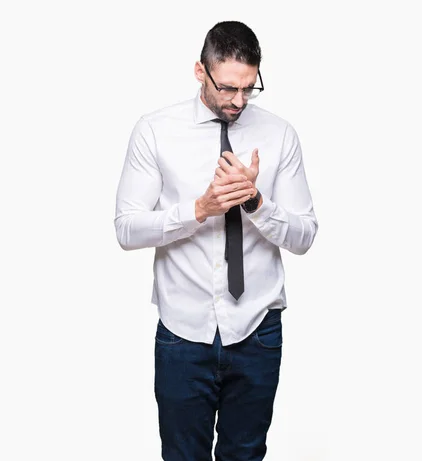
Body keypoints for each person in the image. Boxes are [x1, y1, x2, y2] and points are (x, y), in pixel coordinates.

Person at [114, 20, 318, 461]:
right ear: (199, 71)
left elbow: (305, 236)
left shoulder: (280, 134)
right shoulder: (155, 130)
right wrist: (199, 210)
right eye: (226, 88)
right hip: (182, 332)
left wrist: (256, 202)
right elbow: (127, 229)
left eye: (249, 88)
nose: (238, 101)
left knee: (245, 455)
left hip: (258, 330)